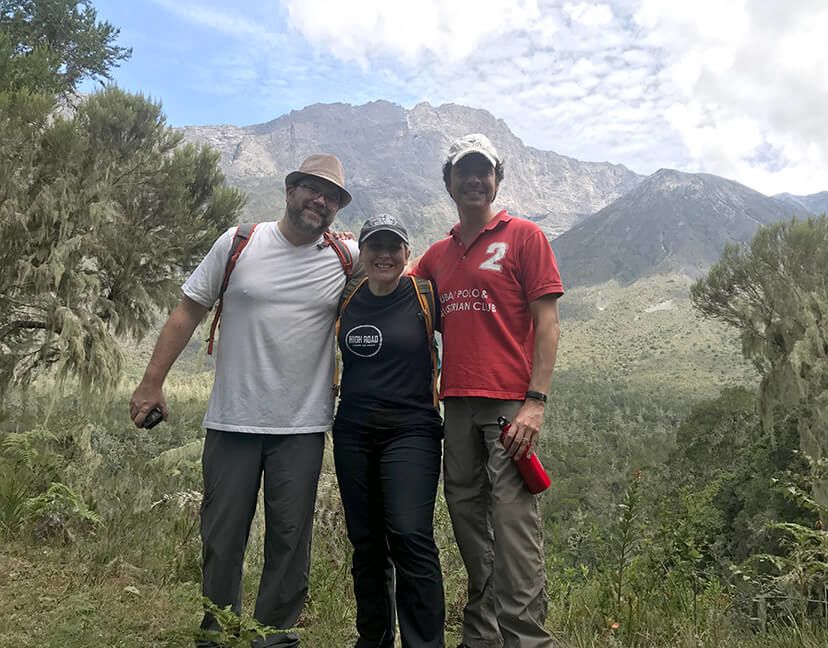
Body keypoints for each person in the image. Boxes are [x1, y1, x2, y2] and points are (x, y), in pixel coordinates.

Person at [129, 154, 359, 648]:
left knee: (290, 541)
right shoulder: (239, 243)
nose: (320, 201)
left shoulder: (346, 256)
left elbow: (397, 269)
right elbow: (188, 311)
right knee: (221, 537)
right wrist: (152, 382)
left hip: (301, 428)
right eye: (311, 189)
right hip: (232, 420)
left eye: (332, 196)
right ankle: (217, 634)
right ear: (289, 189)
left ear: (338, 207)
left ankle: (274, 637)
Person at [413, 134, 562, 648]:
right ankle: (481, 637)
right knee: (469, 525)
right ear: (449, 183)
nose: (474, 180)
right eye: (464, 172)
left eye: (484, 171)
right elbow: (396, 294)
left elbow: (547, 323)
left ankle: (526, 640)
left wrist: (535, 403)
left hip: (509, 410)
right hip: (455, 407)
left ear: (497, 179)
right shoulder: (436, 257)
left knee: (514, 532)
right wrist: (349, 251)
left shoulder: (524, 237)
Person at [333, 214, 445, 648]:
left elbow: (475, 327)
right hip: (353, 429)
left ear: (406, 254)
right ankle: (374, 638)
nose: (384, 255)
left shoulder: (423, 296)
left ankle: (423, 643)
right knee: (365, 540)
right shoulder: (347, 294)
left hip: (412, 429)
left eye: (393, 247)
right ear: (361, 253)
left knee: (410, 534)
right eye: (375, 246)